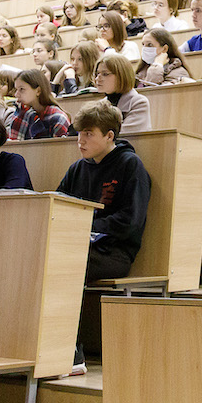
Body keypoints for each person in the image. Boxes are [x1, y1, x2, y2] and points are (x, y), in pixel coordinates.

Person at [56, 100, 152, 373]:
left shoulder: (130, 165)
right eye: (79, 133)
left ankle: (72, 354)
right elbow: (59, 206)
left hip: (115, 253)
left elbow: (130, 221)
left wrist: (86, 226)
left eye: (89, 134)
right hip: (80, 246)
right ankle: (49, 347)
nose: (81, 140)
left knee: (64, 266)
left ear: (110, 136)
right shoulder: (78, 168)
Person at [94, 52, 152, 133]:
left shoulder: (139, 103)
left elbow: (126, 135)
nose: (97, 78)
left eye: (105, 74)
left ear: (121, 75)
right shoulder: (99, 105)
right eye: (97, 74)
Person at [9, 68, 72, 140]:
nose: (16, 94)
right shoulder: (20, 113)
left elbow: (61, 146)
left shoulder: (58, 118)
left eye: (22, 89)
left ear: (38, 91)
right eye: (16, 89)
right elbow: (13, 144)